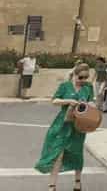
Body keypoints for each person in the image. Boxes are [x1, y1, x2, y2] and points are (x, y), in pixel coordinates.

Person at [35, 61, 94, 191]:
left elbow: (91, 101)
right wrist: (69, 101)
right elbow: (54, 100)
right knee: (58, 153)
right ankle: (52, 186)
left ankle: (77, 182)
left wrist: (89, 104)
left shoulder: (88, 87)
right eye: (81, 77)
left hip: (79, 125)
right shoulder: (65, 86)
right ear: (75, 75)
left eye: (86, 77)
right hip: (63, 123)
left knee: (77, 153)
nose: (83, 80)